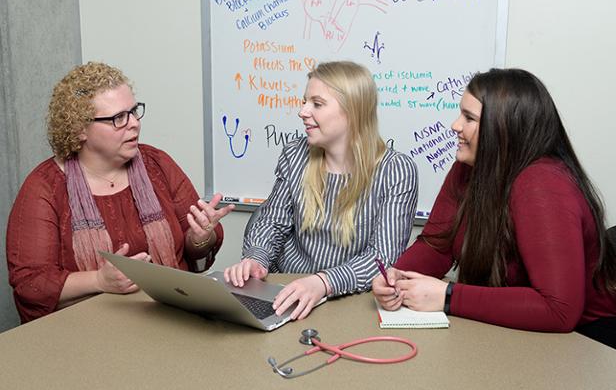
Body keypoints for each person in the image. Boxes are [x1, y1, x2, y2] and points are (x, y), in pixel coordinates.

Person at [373, 68, 616, 347]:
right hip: (510, 328)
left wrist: (448, 296)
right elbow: (437, 245)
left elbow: (559, 310)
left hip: (586, 341)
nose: (455, 126)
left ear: (503, 129)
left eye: (469, 118)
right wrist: (396, 276)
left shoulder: (543, 185)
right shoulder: (467, 169)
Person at [6, 62, 234, 323]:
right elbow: (31, 284)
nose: (134, 124)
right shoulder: (44, 188)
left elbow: (194, 253)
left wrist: (200, 236)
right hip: (87, 333)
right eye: (118, 118)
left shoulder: (157, 164)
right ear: (80, 130)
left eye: (134, 112)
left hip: (168, 319)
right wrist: (99, 280)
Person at [224, 61, 418, 320]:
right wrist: (256, 259)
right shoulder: (295, 154)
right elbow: (272, 222)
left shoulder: (396, 170)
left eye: (317, 103)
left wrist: (322, 282)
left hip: (351, 302)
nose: (303, 111)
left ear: (353, 110)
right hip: (287, 292)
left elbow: (382, 257)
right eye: (305, 101)